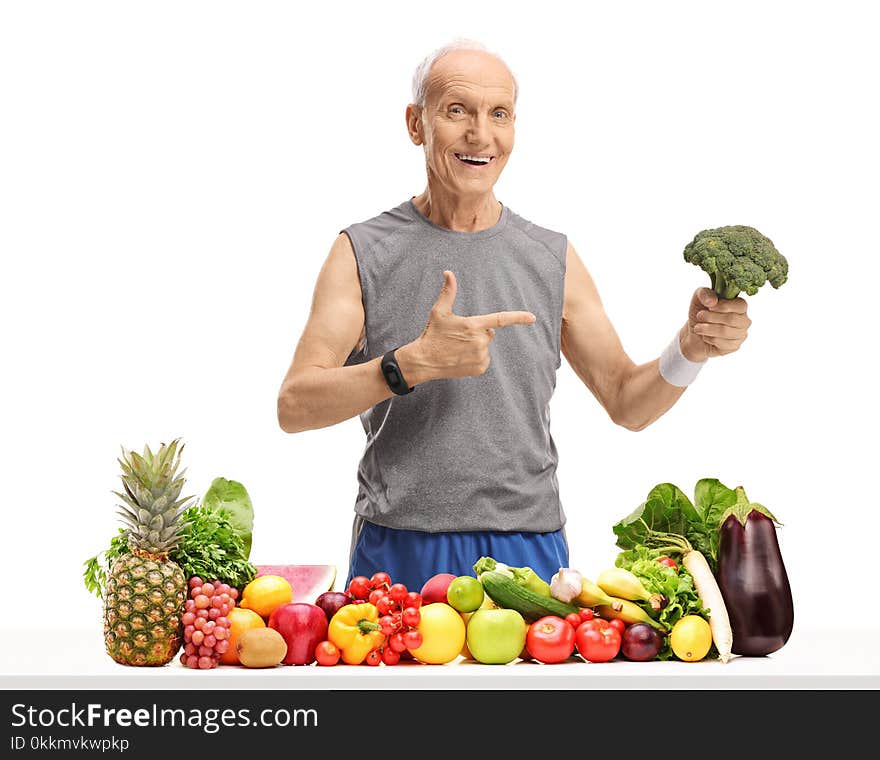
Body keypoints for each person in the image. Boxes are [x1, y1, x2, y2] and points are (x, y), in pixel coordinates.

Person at [276, 38, 751, 593]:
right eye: (457, 111)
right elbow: (294, 406)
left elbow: (628, 401)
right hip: (398, 543)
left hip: (528, 546)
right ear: (415, 123)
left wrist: (690, 348)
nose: (481, 134)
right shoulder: (360, 251)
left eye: (498, 114)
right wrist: (408, 365)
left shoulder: (552, 257)